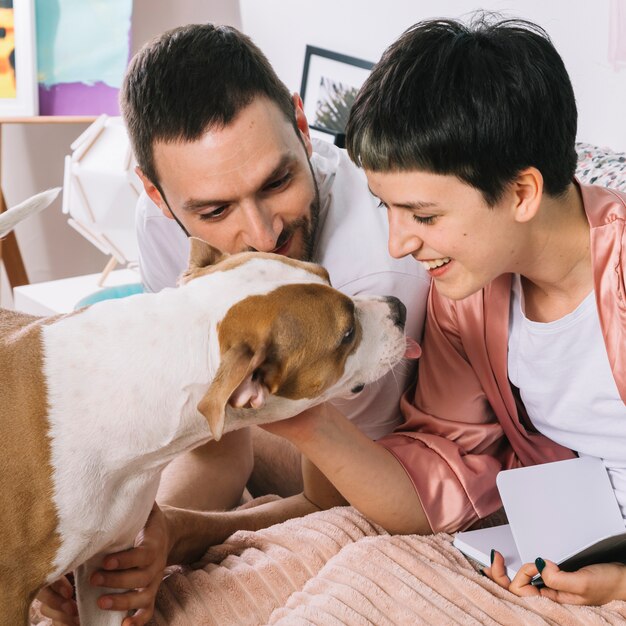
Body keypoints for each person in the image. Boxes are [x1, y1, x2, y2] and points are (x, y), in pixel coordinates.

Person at [37, 23, 429, 625]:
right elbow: (215, 440)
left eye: (278, 181)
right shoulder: (164, 223)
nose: (263, 233)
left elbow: (333, 500)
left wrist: (187, 532)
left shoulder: (373, 282)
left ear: (302, 125)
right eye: (214, 210)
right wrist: (143, 548)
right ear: (156, 192)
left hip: (353, 450)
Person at [340, 14, 626, 605]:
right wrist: (308, 420)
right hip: (574, 554)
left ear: (521, 192)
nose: (398, 244)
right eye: (385, 209)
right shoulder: (466, 300)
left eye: (423, 216)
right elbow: (443, 471)